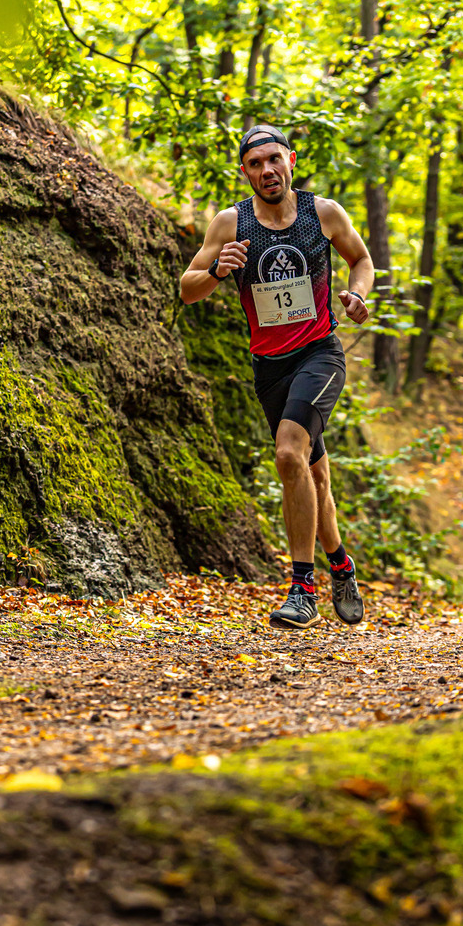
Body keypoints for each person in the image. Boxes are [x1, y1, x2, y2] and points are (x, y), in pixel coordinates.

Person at [180, 124, 374, 630]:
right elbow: (187, 289)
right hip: (269, 367)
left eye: (274, 160)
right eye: (254, 164)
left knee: (289, 452)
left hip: (320, 354)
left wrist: (357, 294)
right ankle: (341, 565)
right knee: (312, 474)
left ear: (291, 159)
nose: (267, 170)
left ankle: (301, 588)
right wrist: (219, 271)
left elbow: (361, 259)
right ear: (243, 172)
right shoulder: (231, 224)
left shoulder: (323, 213)